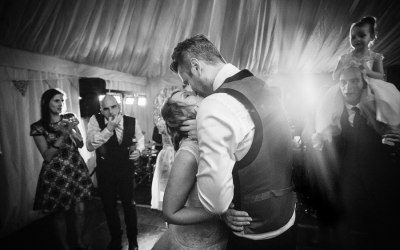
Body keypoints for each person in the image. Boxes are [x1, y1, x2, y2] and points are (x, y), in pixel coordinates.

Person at [170, 34, 297, 250]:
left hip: (252, 233)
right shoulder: (261, 85)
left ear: (196, 66)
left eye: (187, 81)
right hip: (287, 217)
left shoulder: (216, 104)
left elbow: (216, 202)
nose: (190, 89)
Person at [312, 65, 400, 249]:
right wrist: (318, 141)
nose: (348, 87)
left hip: (379, 188)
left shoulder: (382, 112)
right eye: (343, 82)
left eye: (354, 81)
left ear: (363, 83)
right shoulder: (332, 117)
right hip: (347, 189)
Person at [152, 90, 251, 250]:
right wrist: (220, 212)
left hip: (223, 237)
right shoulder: (188, 154)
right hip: (197, 243)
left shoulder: (215, 138)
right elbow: (170, 213)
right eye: (186, 96)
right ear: (184, 116)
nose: (192, 92)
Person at [30, 88, 92, 250]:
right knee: (60, 212)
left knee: (80, 208)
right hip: (56, 173)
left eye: (62, 101)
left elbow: (80, 144)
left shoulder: (69, 117)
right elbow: (47, 156)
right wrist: (63, 135)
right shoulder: (38, 127)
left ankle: (77, 240)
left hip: (75, 168)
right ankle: (64, 245)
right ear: (46, 103)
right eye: (56, 101)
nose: (60, 104)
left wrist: (72, 131)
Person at [86, 95, 144, 250]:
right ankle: (115, 238)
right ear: (101, 109)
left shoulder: (131, 120)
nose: (110, 111)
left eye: (113, 107)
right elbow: (90, 146)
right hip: (105, 171)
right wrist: (109, 129)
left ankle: (133, 240)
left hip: (126, 170)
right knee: (109, 207)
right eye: (106, 108)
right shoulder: (94, 121)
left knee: (129, 206)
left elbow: (140, 138)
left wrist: (138, 150)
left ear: (119, 107)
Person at [333, 16, 385, 81]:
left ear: (372, 36)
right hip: (349, 88)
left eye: (362, 35)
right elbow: (335, 77)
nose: (357, 39)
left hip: (370, 88)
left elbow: (381, 76)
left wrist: (368, 72)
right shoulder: (345, 58)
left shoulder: (376, 57)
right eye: (353, 37)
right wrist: (344, 68)